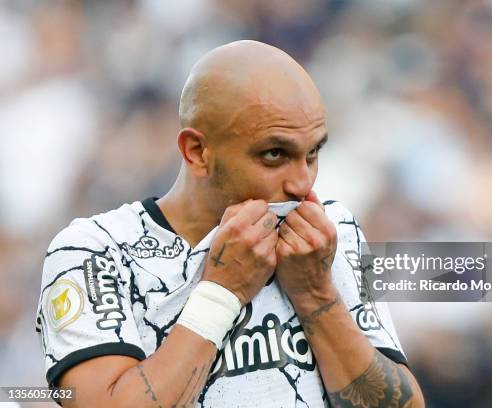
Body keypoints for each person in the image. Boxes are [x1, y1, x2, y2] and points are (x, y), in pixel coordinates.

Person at [35, 40, 425, 408]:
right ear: (198, 151)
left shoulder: (331, 232)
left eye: (312, 154)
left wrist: (317, 296)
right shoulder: (96, 250)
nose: (302, 182)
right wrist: (222, 292)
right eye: (274, 154)